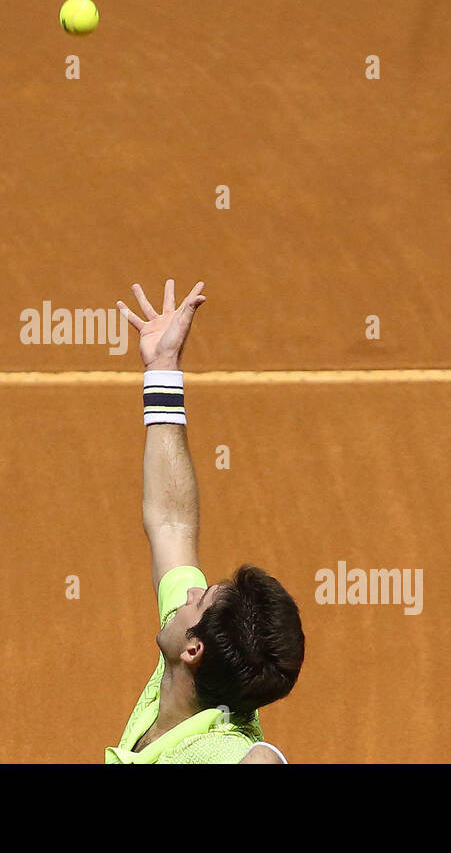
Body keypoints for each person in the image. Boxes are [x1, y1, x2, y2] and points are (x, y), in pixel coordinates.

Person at [106, 280, 305, 764]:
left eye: (198, 600)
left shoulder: (216, 751)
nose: (189, 592)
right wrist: (162, 371)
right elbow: (172, 522)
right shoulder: (184, 666)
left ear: (193, 649)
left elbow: (258, 760)